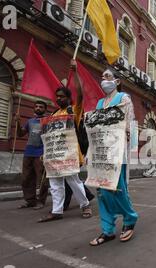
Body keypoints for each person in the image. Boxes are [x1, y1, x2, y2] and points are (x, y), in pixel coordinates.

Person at [89, 68, 139, 245]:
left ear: (117, 81)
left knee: (118, 188)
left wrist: (125, 145)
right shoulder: (100, 103)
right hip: (101, 153)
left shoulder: (124, 99)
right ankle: (107, 229)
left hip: (118, 152)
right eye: (102, 76)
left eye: (107, 76)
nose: (103, 79)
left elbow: (129, 125)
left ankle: (129, 219)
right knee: (102, 190)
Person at [38, 59, 92, 222]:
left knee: (73, 181)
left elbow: (81, 94)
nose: (58, 99)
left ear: (69, 99)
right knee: (55, 184)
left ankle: (85, 205)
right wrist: (45, 154)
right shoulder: (52, 115)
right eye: (57, 97)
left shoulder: (73, 110)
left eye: (62, 96)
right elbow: (49, 138)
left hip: (70, 154)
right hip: (54, 156)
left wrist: (75, 73)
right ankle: (57, 211)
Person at [15, 101, 50, 210]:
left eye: (41, 107)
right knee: (26, 178)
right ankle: (30, 201)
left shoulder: (48, 121)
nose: (38, 108)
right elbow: (20, 134)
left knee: (42, 179)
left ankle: (41, 201)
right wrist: (18, 122)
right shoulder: (30, 121)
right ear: (34, 108)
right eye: (36, 106)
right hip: (28, 152)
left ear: (45, 109)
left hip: (41, 153)